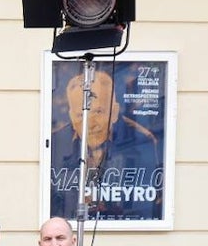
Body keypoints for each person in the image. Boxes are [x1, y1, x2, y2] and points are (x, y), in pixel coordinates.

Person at [49, 69, 162, 222]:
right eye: (81, 115)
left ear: (114, 112)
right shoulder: (55, 142)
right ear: (70, 116)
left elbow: (151, 200)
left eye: (98, 112)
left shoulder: (142, 141)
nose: (90, 124)